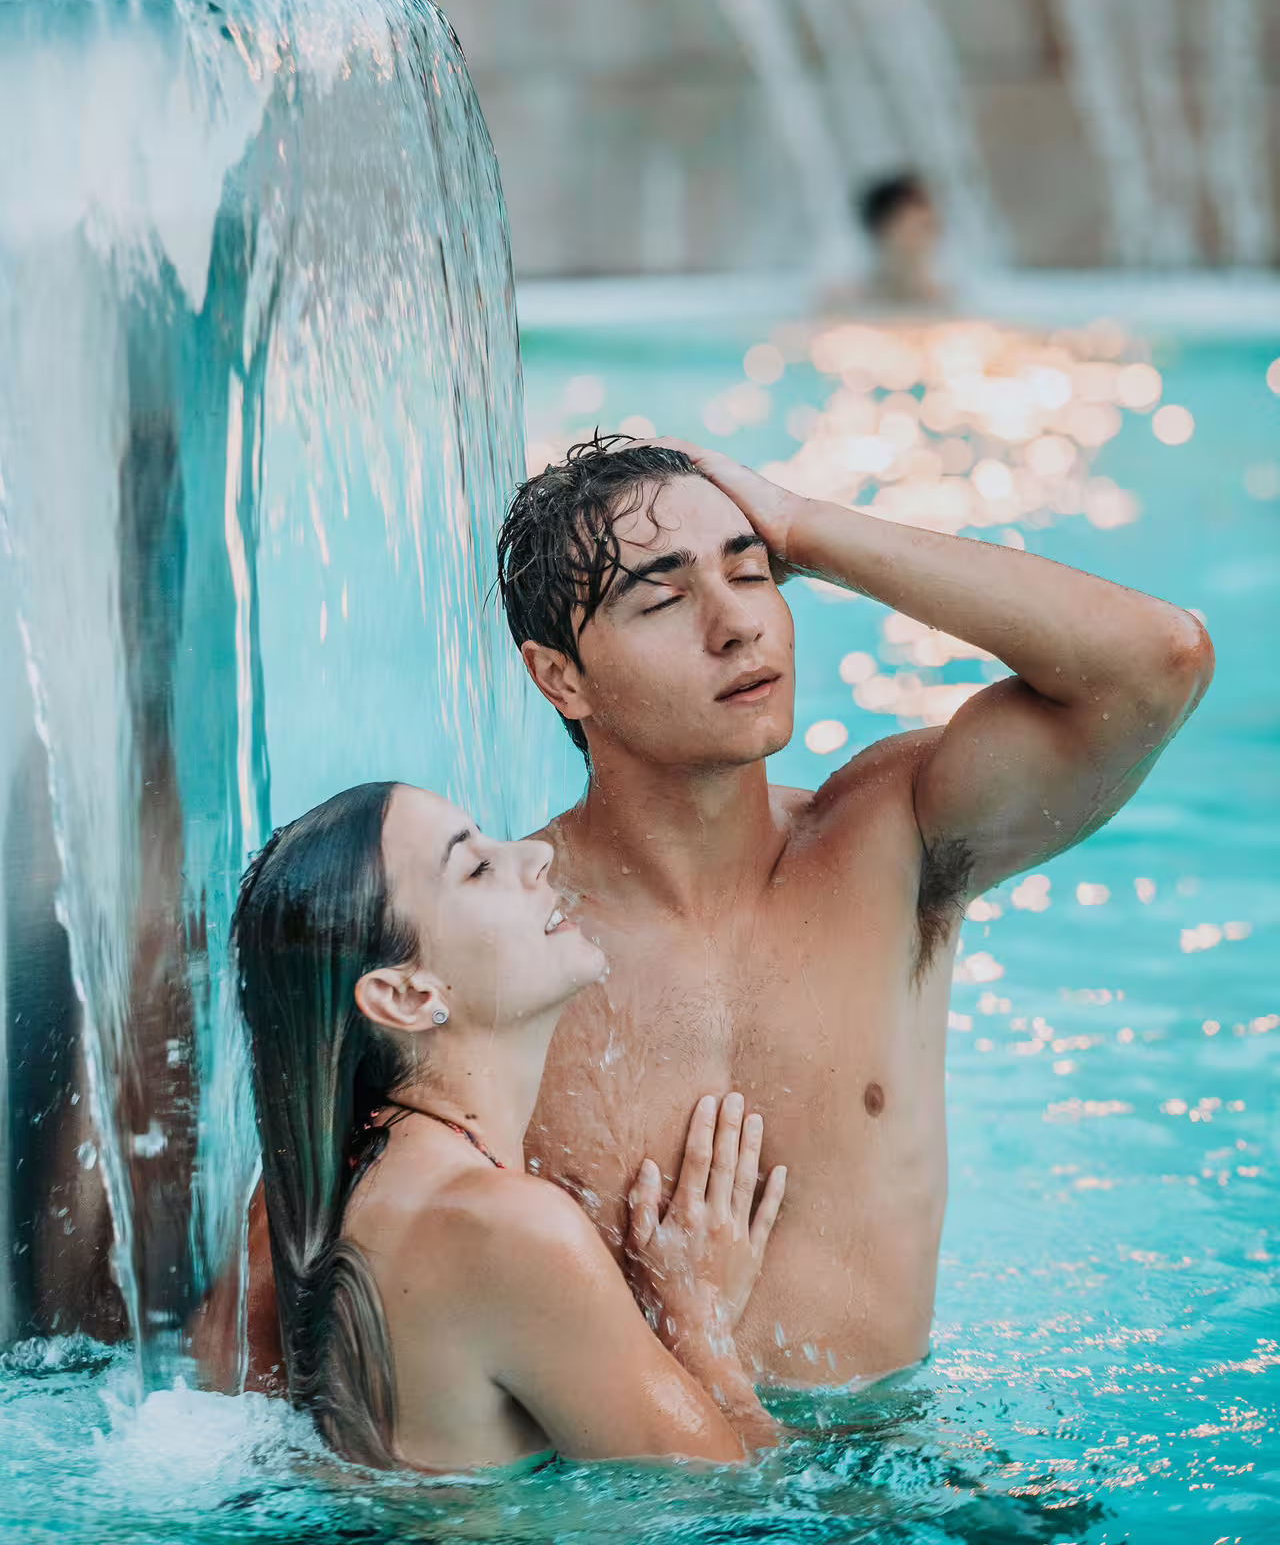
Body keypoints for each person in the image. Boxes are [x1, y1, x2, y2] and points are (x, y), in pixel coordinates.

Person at [231, 431, 1211, 1393]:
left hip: (881, 1471)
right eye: (661, 596)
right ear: (557, 676)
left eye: (753, 575)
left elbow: (1154, 663)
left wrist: (807, 527)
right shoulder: (500, 951)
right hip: (632, 1499)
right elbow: (279, 1302)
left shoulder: (891, 838)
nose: (736, 624)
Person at [230, 778, 784, 1471]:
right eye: (478, 867)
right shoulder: (510, 1229)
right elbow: (744, 1503)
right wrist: (701, 1330)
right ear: (407, 995)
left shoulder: (300, 1195)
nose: (537, 855)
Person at [855, 171, 943, 305]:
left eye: (931, 226)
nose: (933, 236)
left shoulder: (948, 303)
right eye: (920, 227)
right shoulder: (846, 301)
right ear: (882, 228)